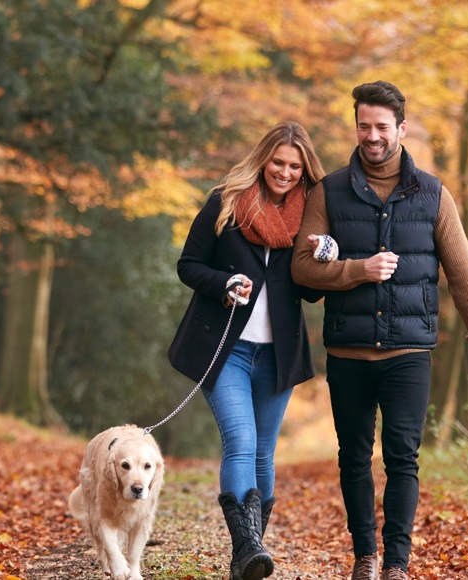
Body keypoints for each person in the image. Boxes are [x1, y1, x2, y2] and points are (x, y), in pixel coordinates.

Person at [291, 81, 468, 580]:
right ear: (356, 126)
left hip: (409, 353)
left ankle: (397, 565)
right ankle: (365, 557)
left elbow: (464, 273)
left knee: (403, 458)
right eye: (364, 126)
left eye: (382, 127)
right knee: (354, 459)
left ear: (401, 129)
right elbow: (301, 268)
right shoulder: (329, 192)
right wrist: (357, 270)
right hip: (348, 350)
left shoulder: (432, 194)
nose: (372, 136)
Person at [168, 120, 326, 580]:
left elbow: (313, 293)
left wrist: (323, 256)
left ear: (304, 169)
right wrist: (224, 283)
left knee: (263, 454)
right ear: (263, 159)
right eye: (278, 162)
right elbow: (188, 264)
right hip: (227, 350)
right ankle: (247, 549)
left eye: (295, 166)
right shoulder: (227, 202)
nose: (285, 172)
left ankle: (247, 558)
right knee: (240, 441)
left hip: (278, 355)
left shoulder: (310, 217)